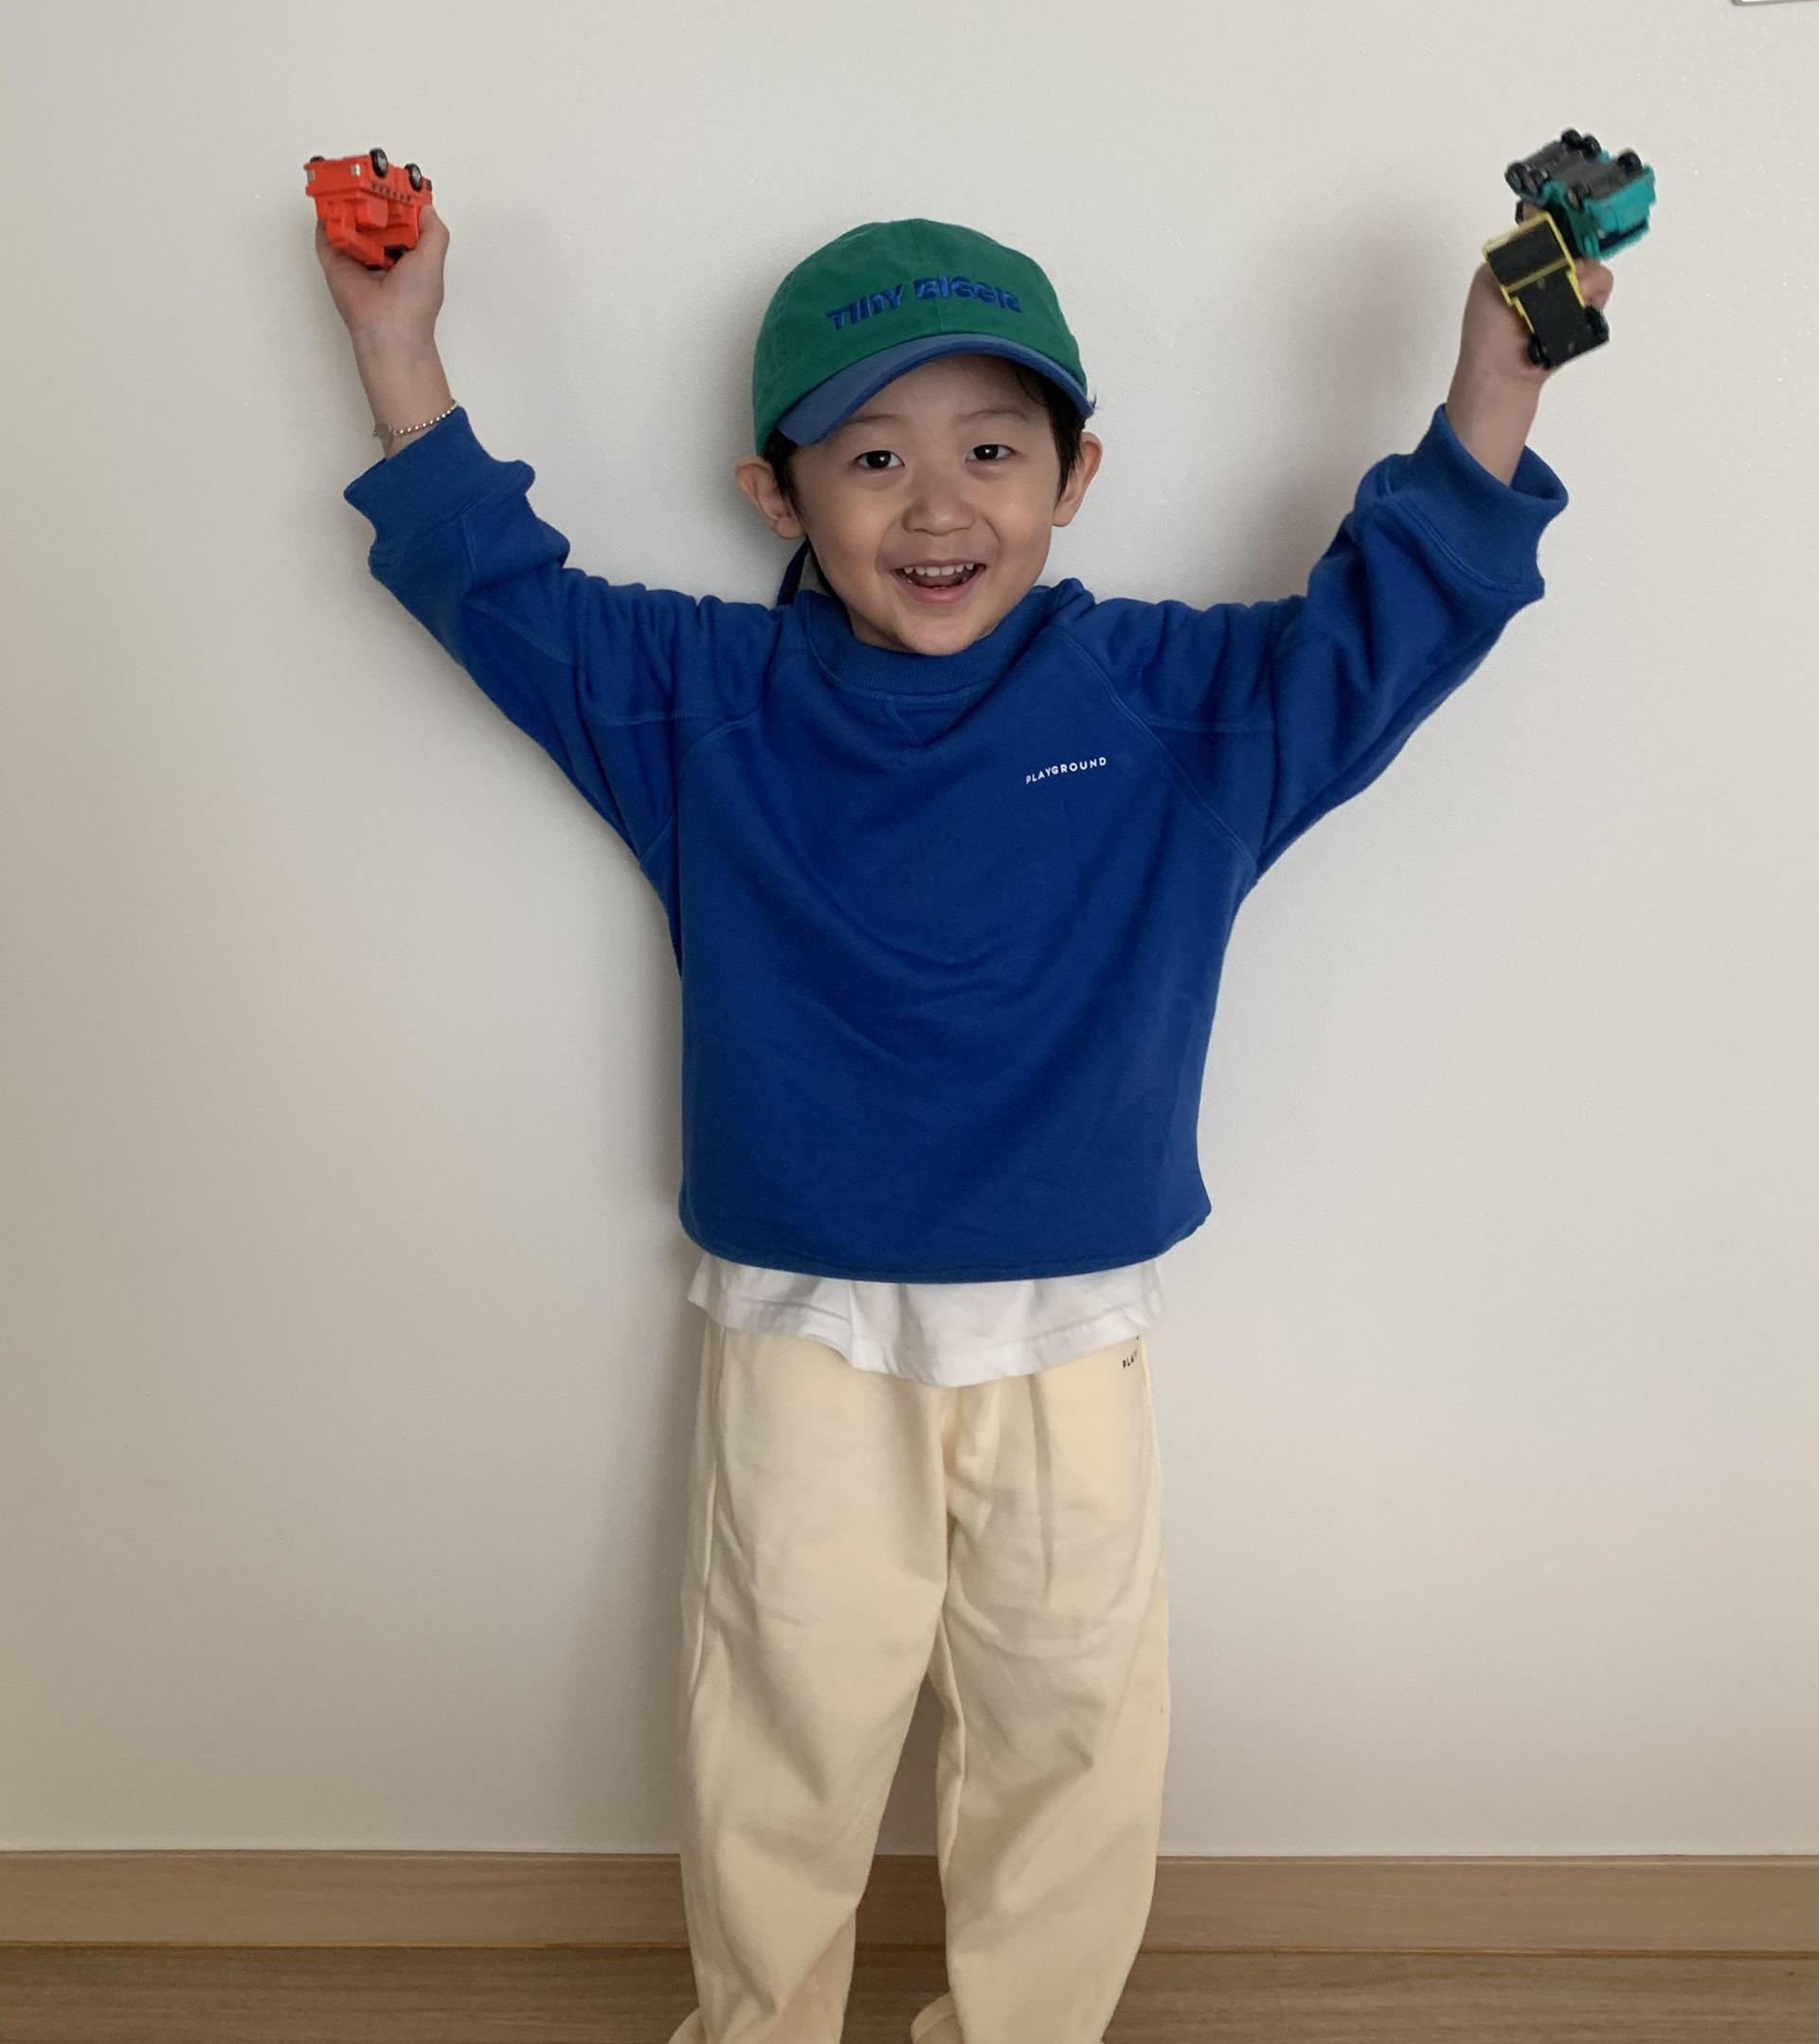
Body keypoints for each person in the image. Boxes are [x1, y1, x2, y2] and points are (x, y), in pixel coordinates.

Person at [317, 201, 1613, 2044]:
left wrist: (1499, 374)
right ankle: (763, 2024)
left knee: (1071, 1718)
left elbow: (1386, 628)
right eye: (873, 458)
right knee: (785, 1709)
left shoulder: (1172, 707)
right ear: (777, 495)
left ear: (1077, 477)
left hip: (1070, 1331)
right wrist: (396, 344)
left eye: (993, 451)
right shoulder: (706, 702)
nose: (937, 507)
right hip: (804, 1329)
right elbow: (495, 590)